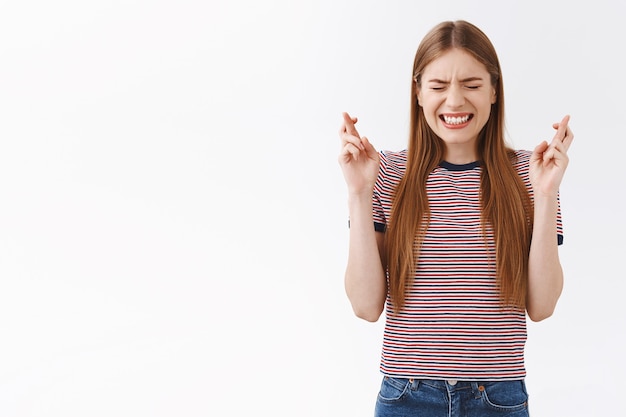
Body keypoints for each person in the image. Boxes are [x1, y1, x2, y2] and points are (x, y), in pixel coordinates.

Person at [338, 20, 573, 416]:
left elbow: (542, 305)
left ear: (494, 90)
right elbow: (365, 306)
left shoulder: (528, 174)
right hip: (406, 396)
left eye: (472, 84)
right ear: (417, 92)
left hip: (497, 397)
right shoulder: (388, 173)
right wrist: (359, 193)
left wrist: (547, 194)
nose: (454, 100)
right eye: (437, 86)